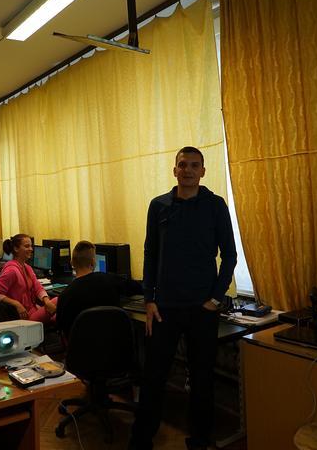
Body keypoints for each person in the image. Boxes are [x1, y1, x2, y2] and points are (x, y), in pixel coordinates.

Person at [129, 146, 237, 450]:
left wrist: (215, 298)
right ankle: (141, 441)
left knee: (202, 380)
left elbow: (229, 255)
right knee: (154, 377)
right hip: (164, 308)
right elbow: (151, 253)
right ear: (174, 170)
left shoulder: (215, 205)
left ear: (202, 171)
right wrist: (148, 298)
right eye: (182, 164)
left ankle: (199, 441)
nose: (188, 170)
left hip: (203, 309)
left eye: (194, 165)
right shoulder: (159, 206)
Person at [56, 240, 142, 337]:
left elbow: (62, 330)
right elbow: (138, 287)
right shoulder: (110, 280)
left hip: (81, 346)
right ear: (93, 262)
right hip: (113, 343)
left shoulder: (64, 296)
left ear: (72, 263)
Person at [0, 234, 57, 324]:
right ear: (16, 249)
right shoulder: (11, 270)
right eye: (27, 246)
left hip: (33, 309)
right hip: (25, 317)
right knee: (58, 300)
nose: (31, 249)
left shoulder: (27, 267)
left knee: (63, 316)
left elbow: (38, 287)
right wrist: (16, 304)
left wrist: (46, 301)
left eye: (31, 246)